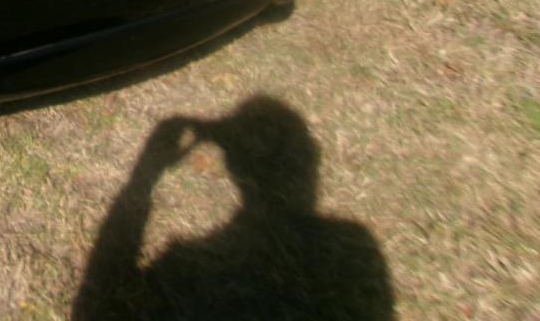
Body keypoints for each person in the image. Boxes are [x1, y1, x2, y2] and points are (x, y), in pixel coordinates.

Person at [74, 96, 393, 320]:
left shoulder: (187, 274)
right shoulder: (354, 250)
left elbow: (97, 306)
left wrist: (144, 177)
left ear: (235, 166)